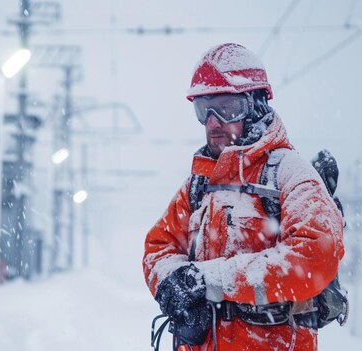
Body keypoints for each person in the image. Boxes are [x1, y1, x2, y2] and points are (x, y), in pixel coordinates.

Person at [143, 43, 345, 351]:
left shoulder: (288, 174)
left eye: (225, 108)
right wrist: (174, 282)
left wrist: (212, 280)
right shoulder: (199, 184)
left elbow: (314, 256)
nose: (212, 121)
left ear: (255, 107)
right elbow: (158, 248)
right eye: (203, 108)